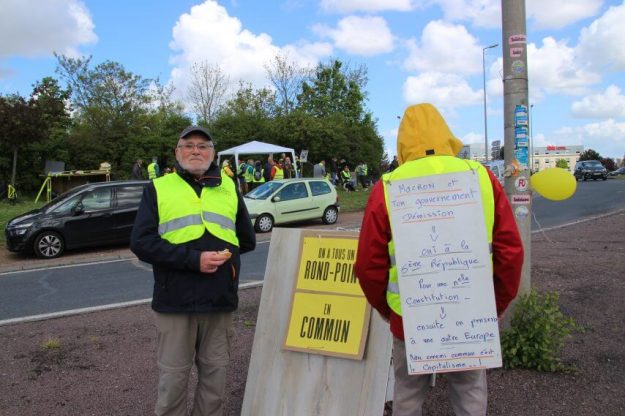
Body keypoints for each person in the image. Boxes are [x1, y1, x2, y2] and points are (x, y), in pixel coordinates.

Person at [354, 103, 523, 416]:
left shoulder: (387, 186)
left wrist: (387, 310)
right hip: (471, 315)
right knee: (469, 392)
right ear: (447, 134)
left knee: (407, 394)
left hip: (410, 318)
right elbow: (510, 252)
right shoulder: (481, 177)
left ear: (402, 142)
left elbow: (368, 264)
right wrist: (495, 304)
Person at [130, 125, 256, 416]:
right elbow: (141, 242)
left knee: (215, 383)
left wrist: (226, 260)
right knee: (173, 383)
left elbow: (246, 240)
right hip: (175, 301)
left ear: (213, 154)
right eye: (188, 145)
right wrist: (194, 260)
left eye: (203, 146)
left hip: (219, 301)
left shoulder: (229, 187)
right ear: (177, 152)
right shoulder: (159, 187)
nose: (195, 150)